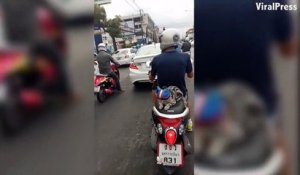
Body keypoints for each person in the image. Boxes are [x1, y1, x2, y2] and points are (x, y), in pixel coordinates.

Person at [149, 29, 194, 131]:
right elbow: (191, 75)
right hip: (180, 94)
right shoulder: (185, 57)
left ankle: (157, 114)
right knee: (187, 102)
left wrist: (151, 76)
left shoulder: (156, 59)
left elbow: (151, 79)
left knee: (153, 90)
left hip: (163, 96)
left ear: (164, 41)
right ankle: (189, 122)